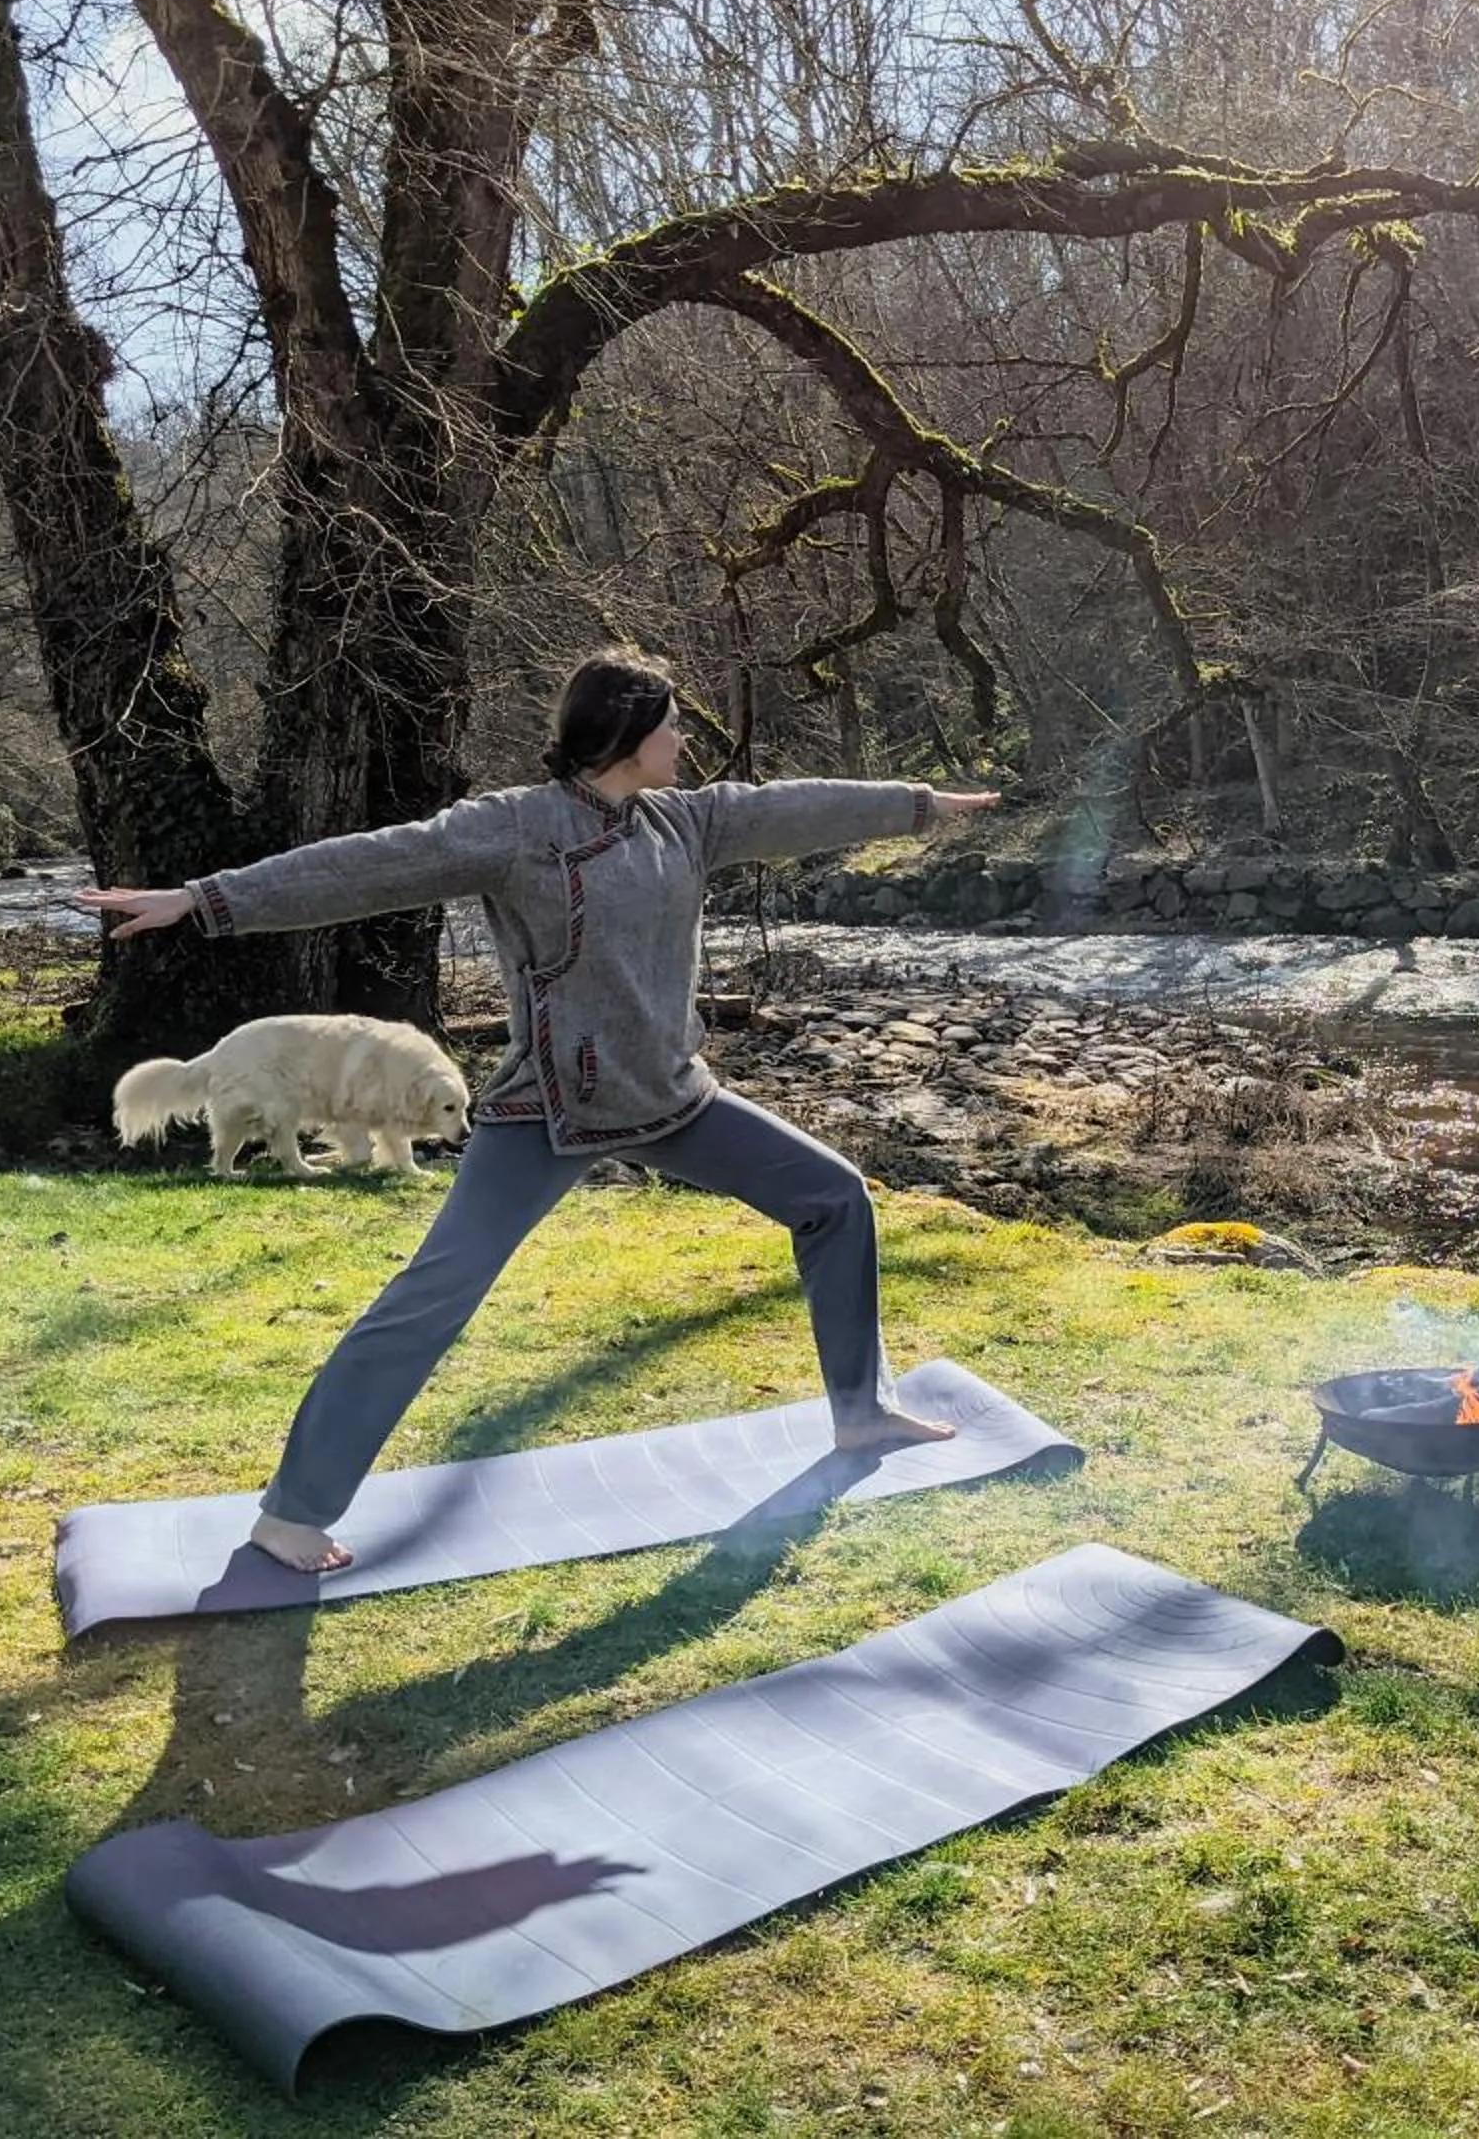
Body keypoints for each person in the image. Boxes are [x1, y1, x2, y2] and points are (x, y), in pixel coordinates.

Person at [81, 651, 1001, 1574]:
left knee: (835, 1198)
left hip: (673, 1097)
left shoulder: (683, 822)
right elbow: (369, 866)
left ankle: (859, 1409)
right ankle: (292, 1515)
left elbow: (789, 808)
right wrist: (205, 900)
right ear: (630, 736)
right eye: (673, 727)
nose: (686, 742)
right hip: (549, 1109)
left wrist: (917, 804)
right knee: (429, 1302)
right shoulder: (515, 829)